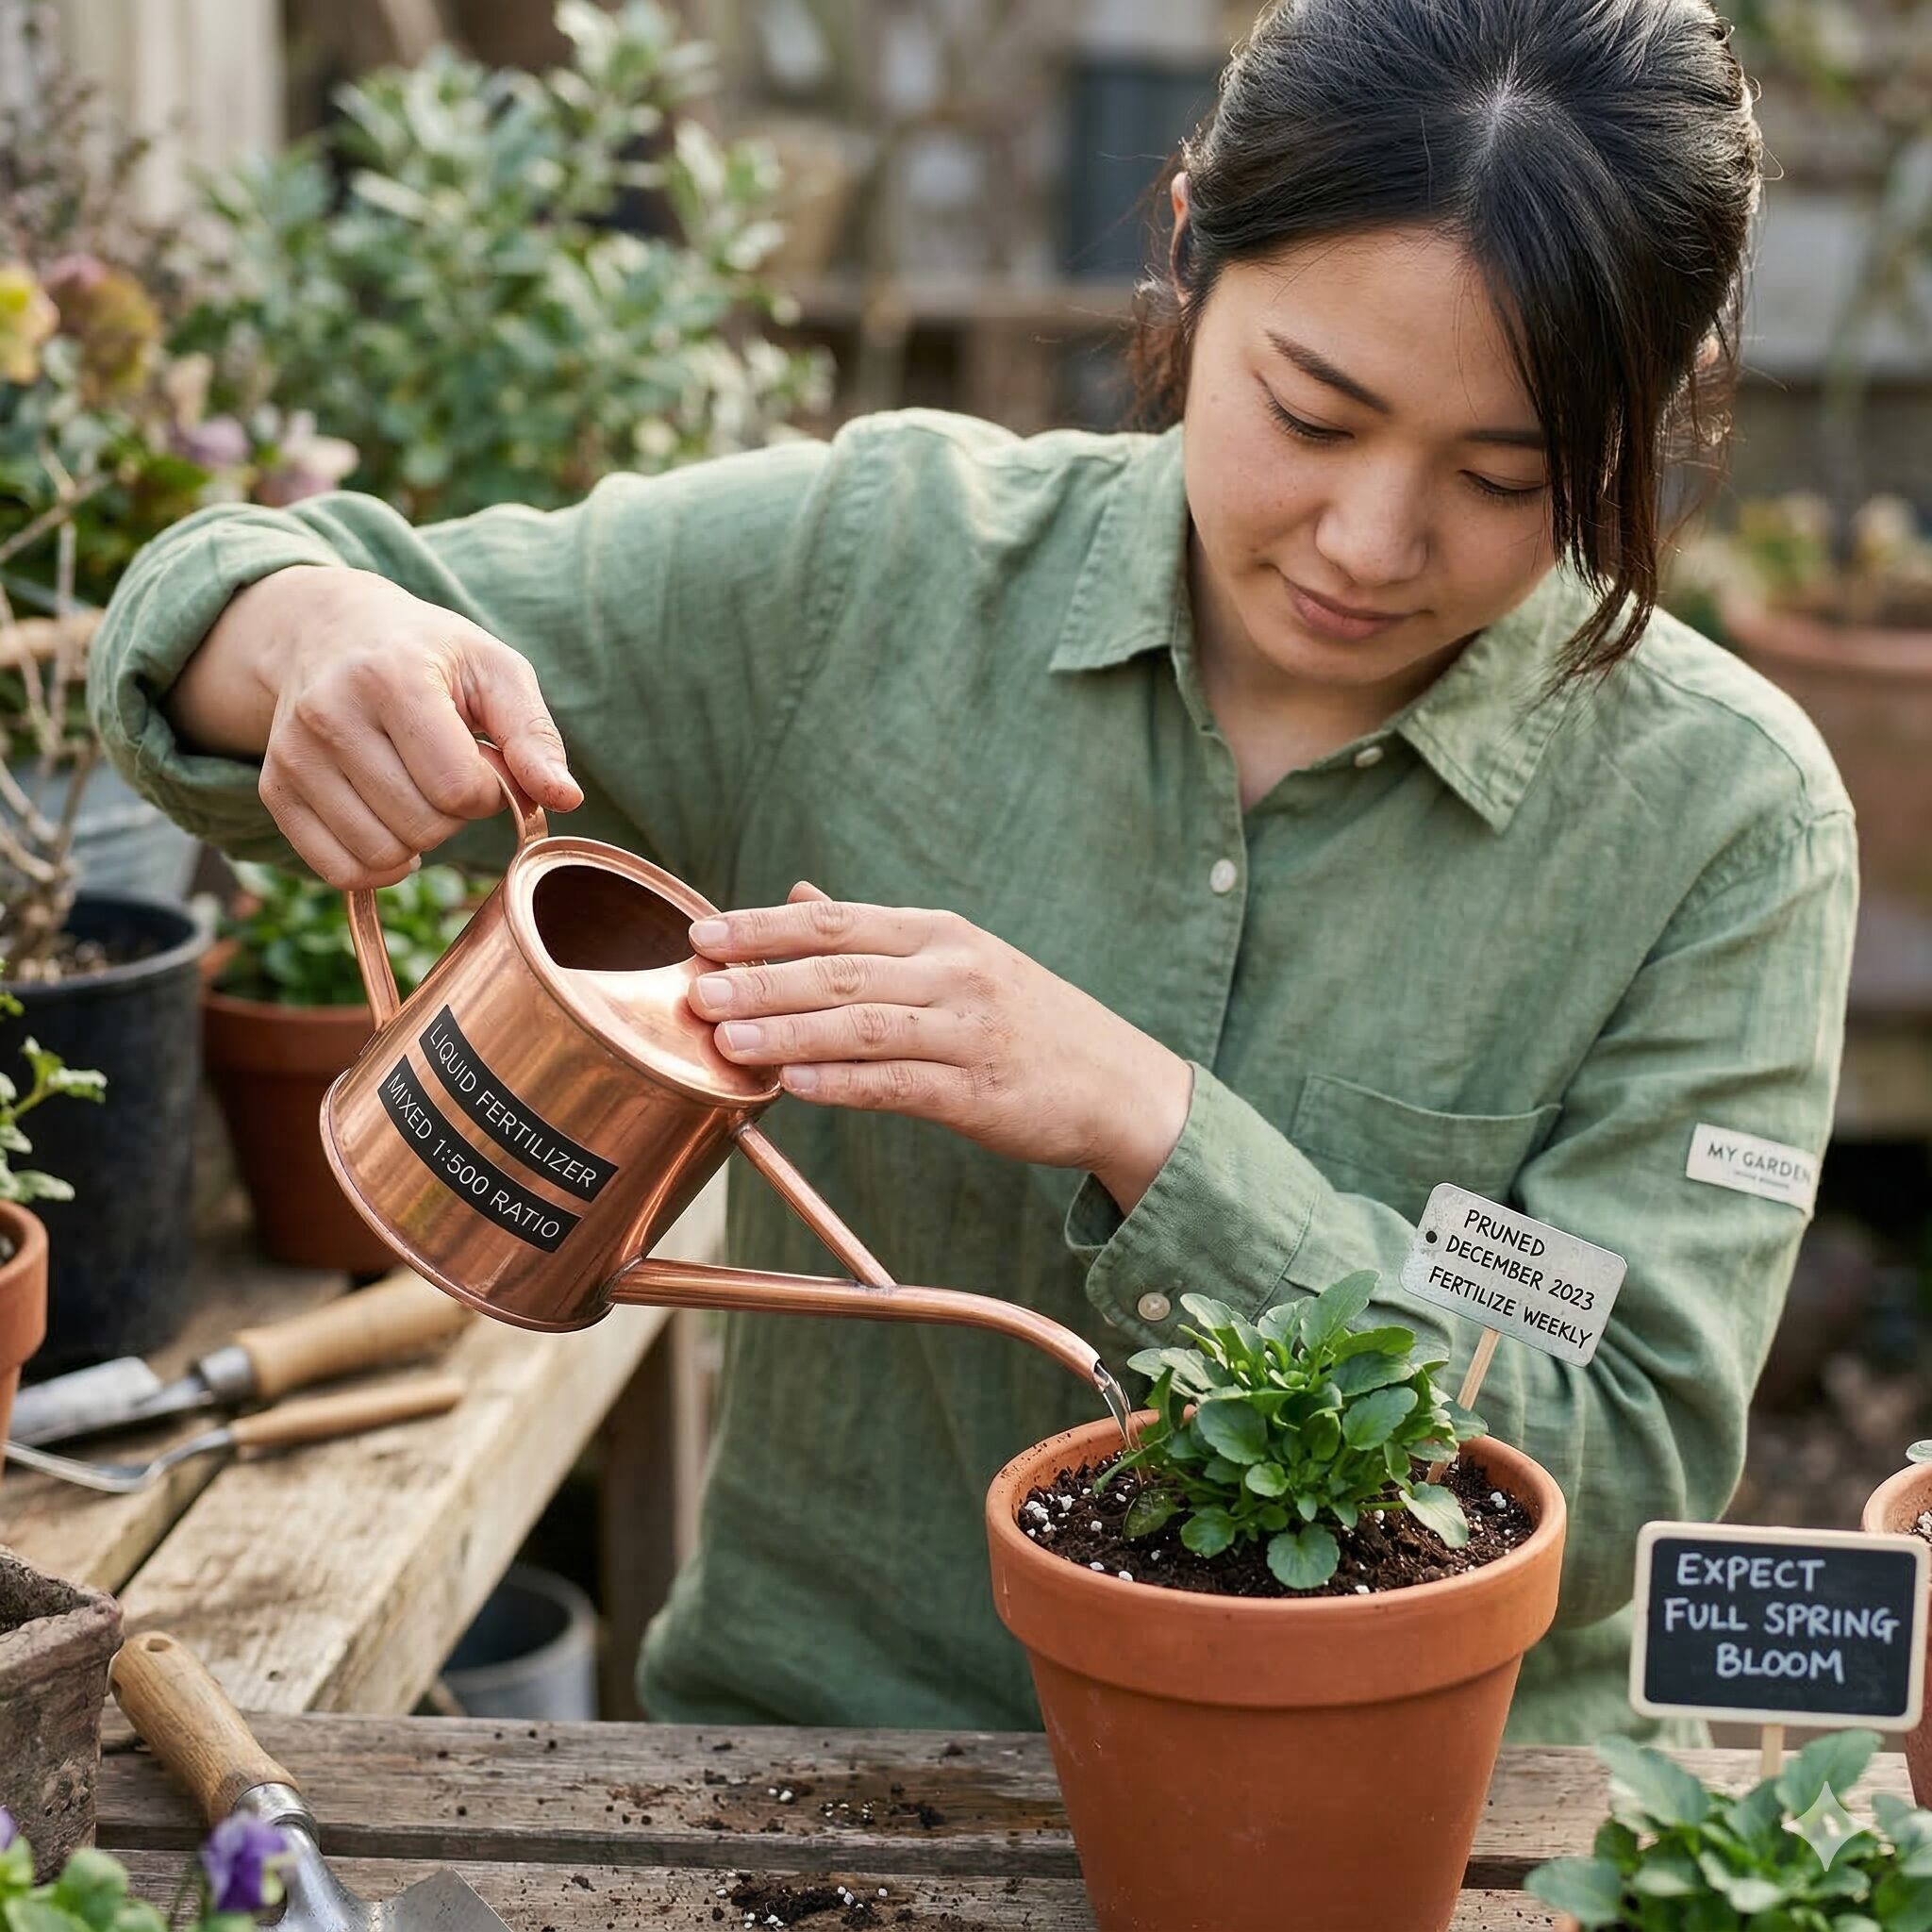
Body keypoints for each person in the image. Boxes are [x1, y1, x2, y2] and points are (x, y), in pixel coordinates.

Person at [91, 0, 1853, 1747]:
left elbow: (1619, 1461)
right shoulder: (871, 575)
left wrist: (1148, 1125)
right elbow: (223, 598)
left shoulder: (1724, 821)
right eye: (1313, 418)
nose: (1370, 541)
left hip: (1437, 1816)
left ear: (1653, 411)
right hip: (821, 1773)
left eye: (1505, 477)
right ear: (1189, 250)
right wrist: (315, 637)